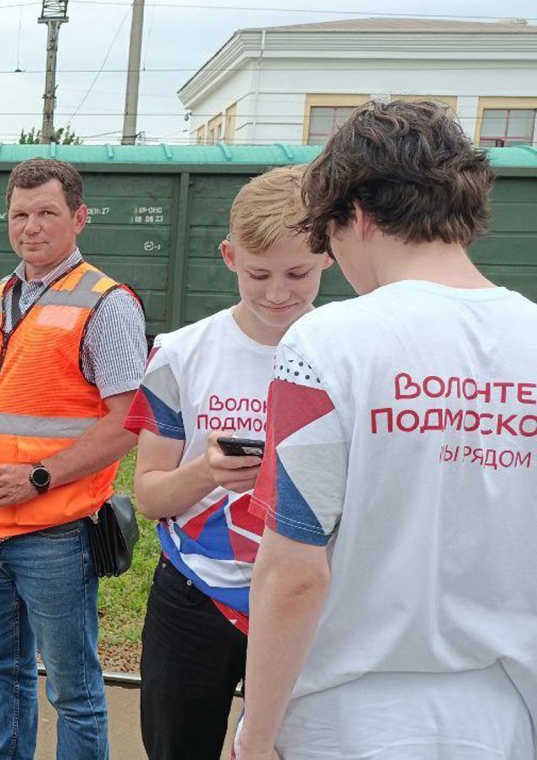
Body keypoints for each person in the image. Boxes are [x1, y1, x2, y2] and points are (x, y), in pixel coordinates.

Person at [237, 100, 537, 760]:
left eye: (329, 238)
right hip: (505, 714)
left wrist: (254, 735)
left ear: (360, 215)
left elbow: (295, 569)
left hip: (346, 717)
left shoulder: (325, 344)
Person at [0, 158, 147, 759]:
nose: (31, 227)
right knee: (4, 674)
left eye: (47, 213)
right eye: (20, 214)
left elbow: (128, 422)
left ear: (79, 218)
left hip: (56, 531)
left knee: (74, 691)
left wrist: (38, 477)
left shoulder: (106, 304)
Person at [125, 165, 330, 760]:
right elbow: (150, 497)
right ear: (229, 256)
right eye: (258, 273)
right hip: (194, 597)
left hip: (308, 599)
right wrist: (206, 472)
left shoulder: (352, 354)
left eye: (299, 273)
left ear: (329, 256)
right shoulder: (180, 354)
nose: (277, 293)